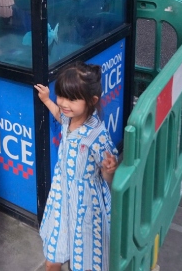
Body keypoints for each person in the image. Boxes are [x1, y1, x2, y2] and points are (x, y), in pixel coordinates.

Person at [33, 62, 118, 271]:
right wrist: (46, 100)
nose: (63, 103)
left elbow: (111, 180)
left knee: (85, 259)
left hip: (86, 207)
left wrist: (109, 171)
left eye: (71, 98)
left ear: (92, 101)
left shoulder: (97, 135)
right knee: (52, 257)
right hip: (62, 199)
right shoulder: (68, 118)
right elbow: (59, 114)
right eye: (61, 95)